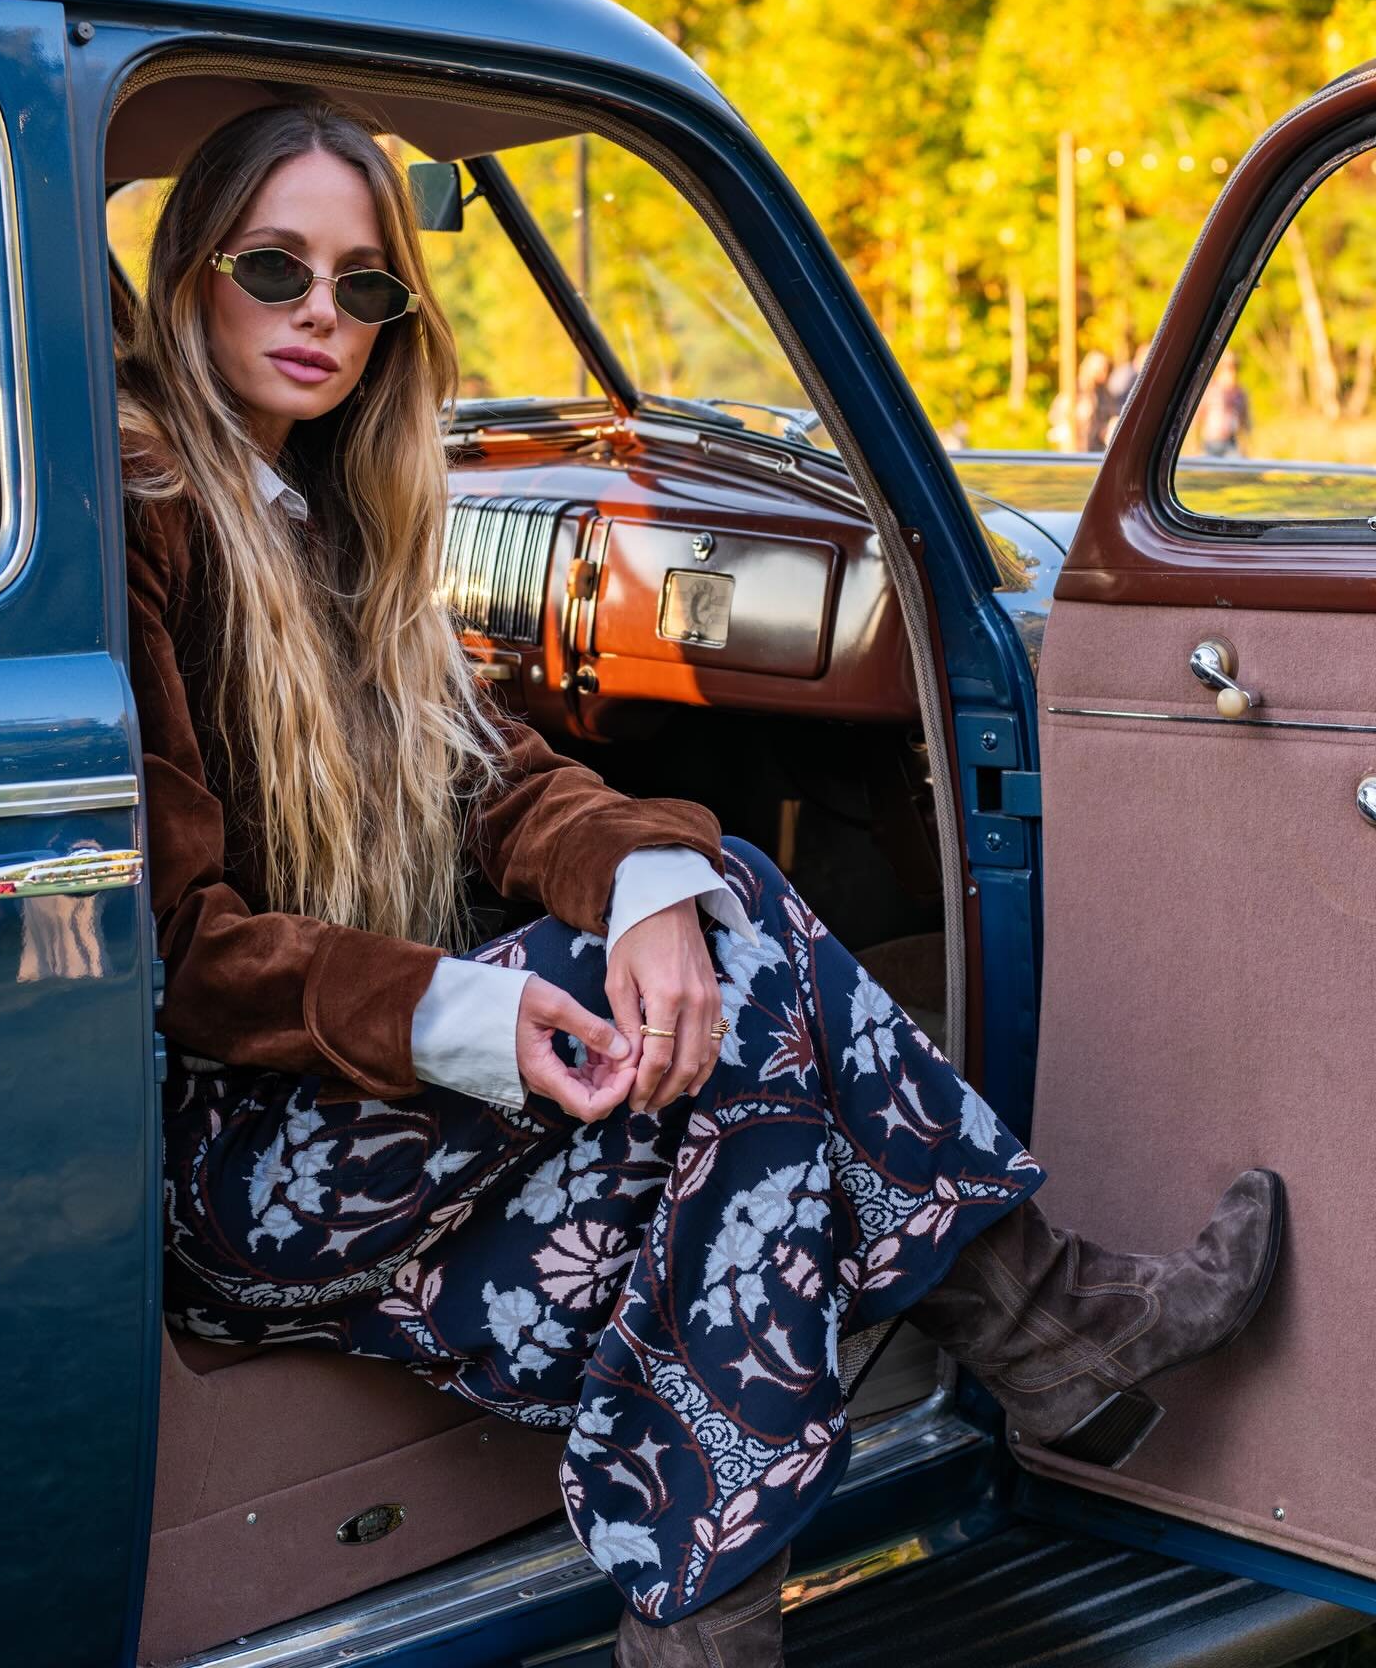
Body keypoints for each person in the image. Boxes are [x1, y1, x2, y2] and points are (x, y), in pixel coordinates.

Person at [123, 100, 1283, 1668]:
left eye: (366, 284)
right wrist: (476, 1006)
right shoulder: (152, 527)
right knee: (751, 1031)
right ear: (193, 276)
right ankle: (1042, 1332)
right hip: (236, 1158)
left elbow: (504, 779)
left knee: (737, 1042)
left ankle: (731, 1605)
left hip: (361, 1118)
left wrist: (649, 885)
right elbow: (184, 952)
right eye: (278, 269)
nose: (324, 314)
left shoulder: (341, 522)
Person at [1197, 352, 1253, 457]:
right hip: (1210, 443)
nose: (1232, 371)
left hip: (1231, 443)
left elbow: (1246, 421)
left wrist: (1247, 446)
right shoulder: (1210, 390)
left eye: (1235, 367)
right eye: (1228, 366)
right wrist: (1194, 446)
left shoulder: (1240, 393)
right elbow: (1197, 419)